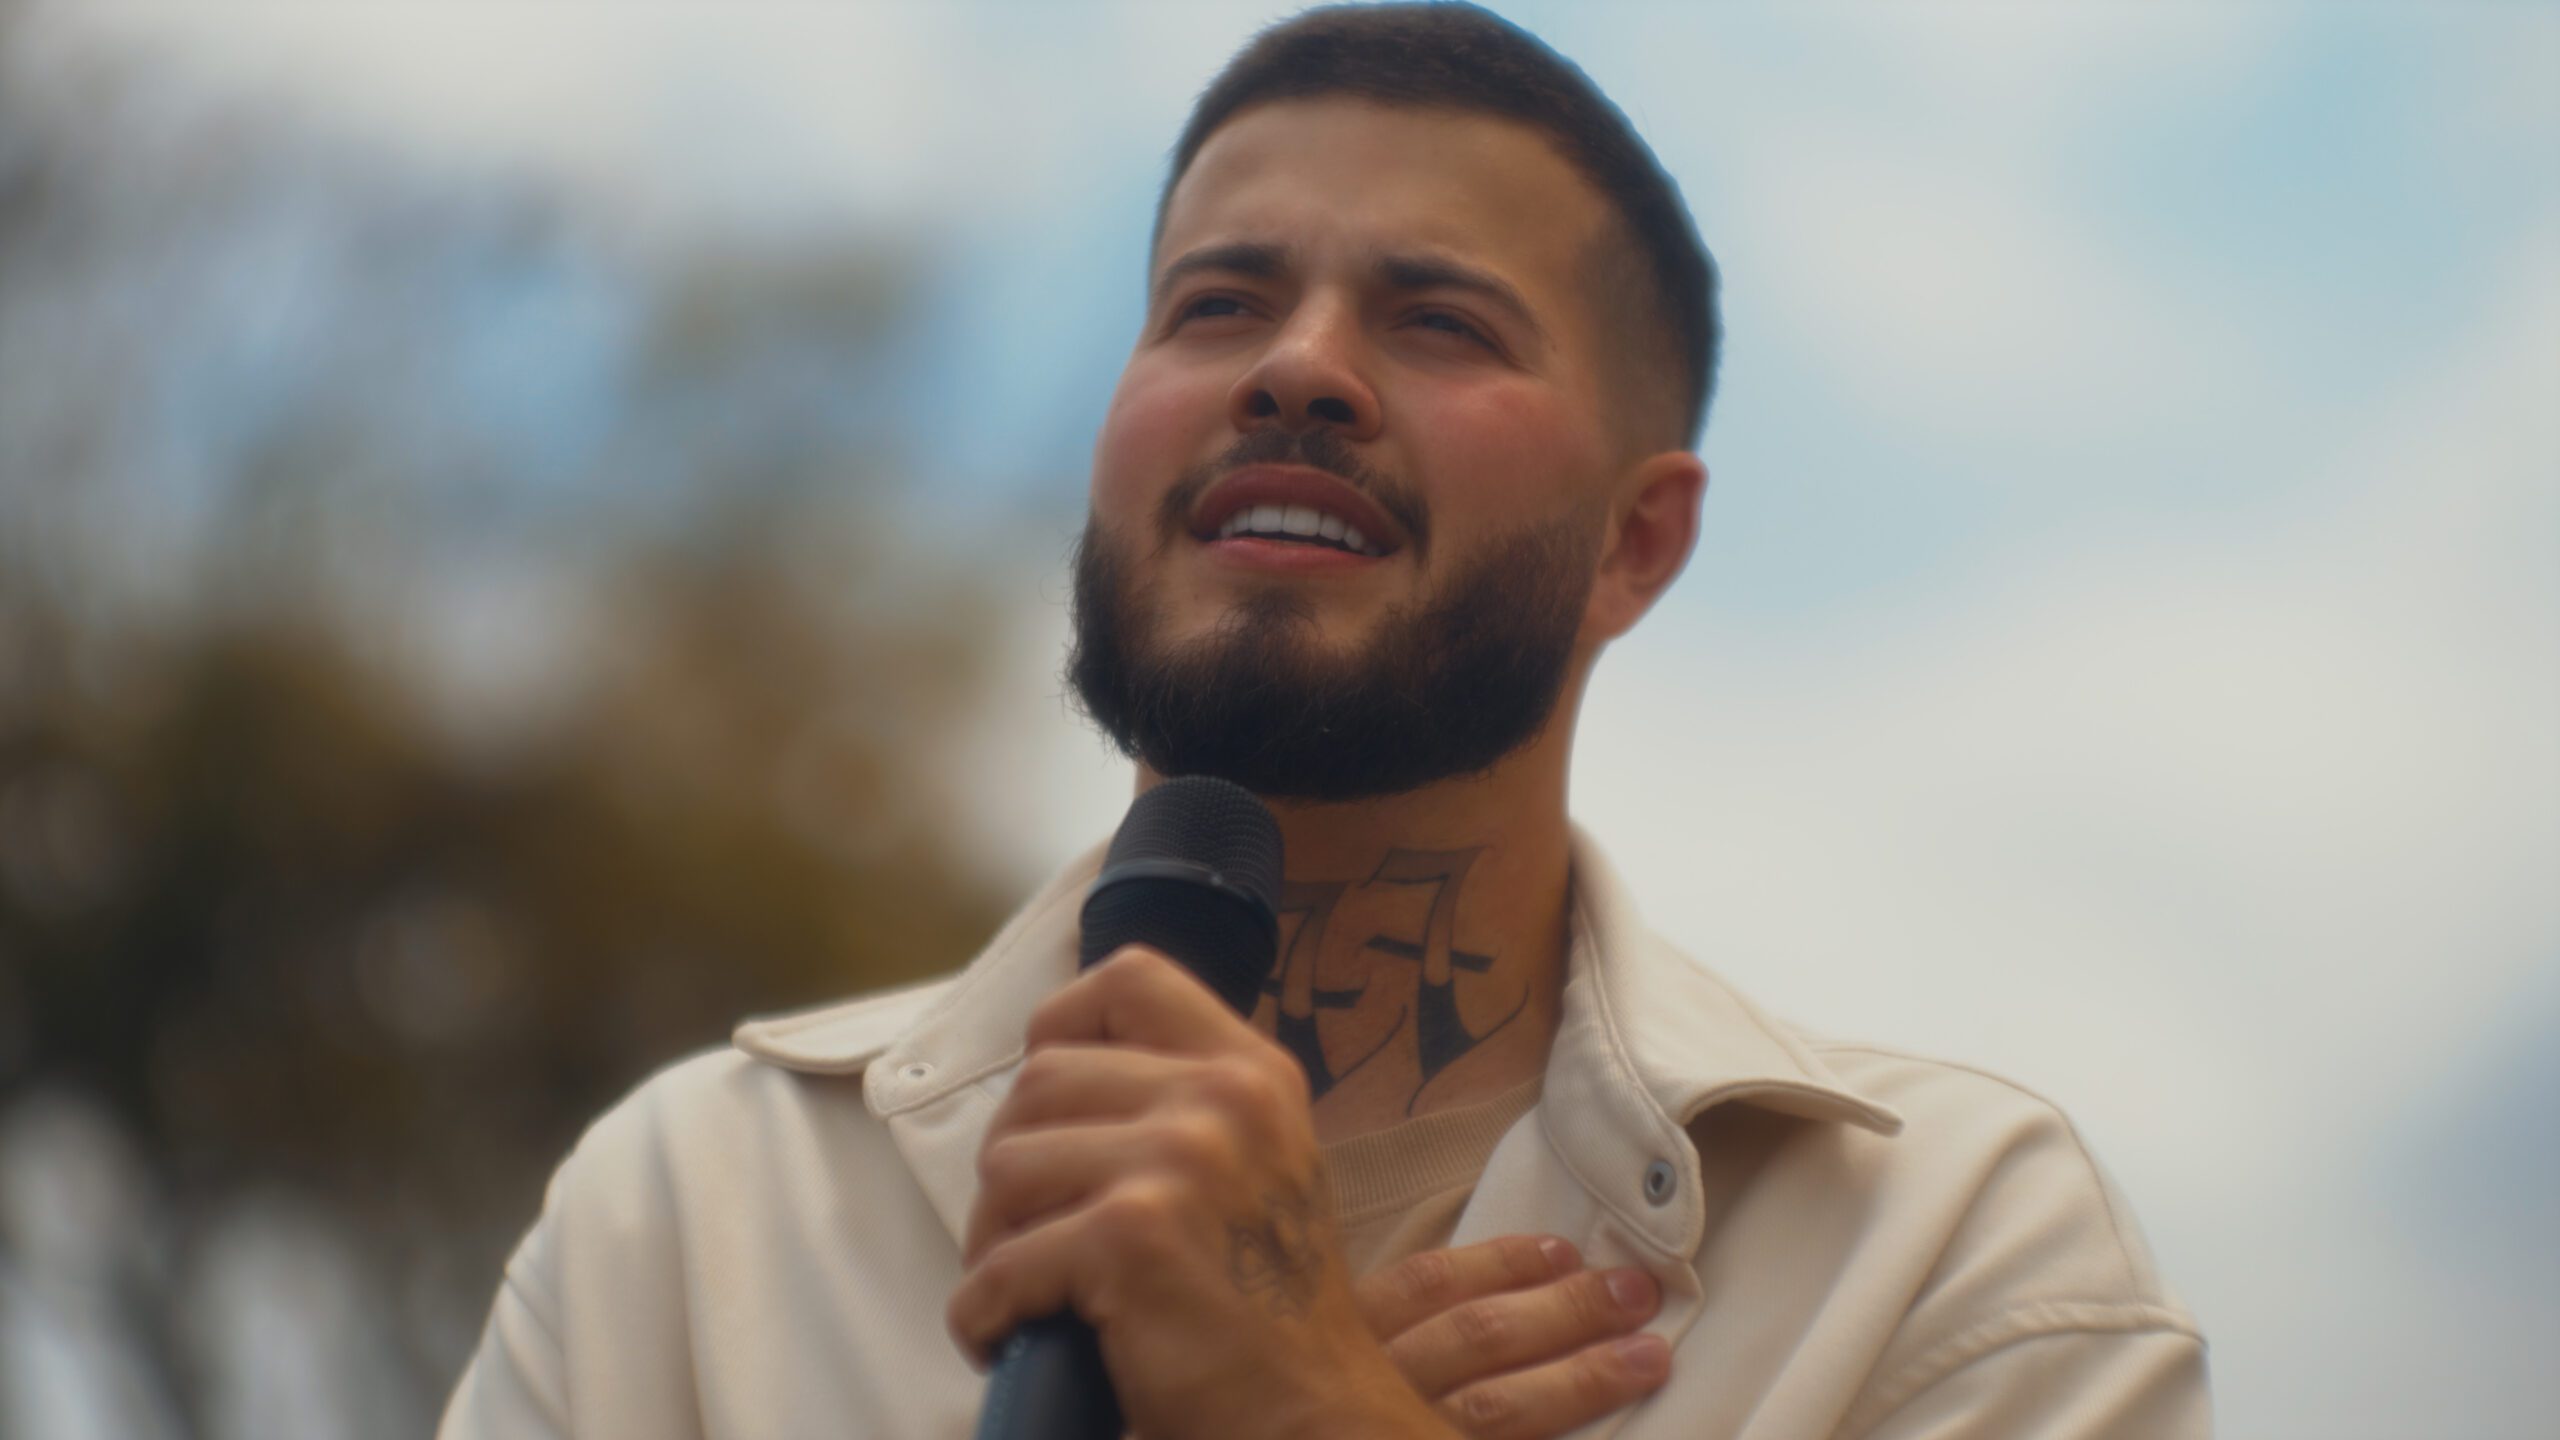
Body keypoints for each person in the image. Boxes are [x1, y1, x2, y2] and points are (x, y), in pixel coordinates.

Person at [440, 5, 2210, 1437]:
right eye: (1217, 304)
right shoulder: (693, 1219)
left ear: (1637, 541)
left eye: (1440, 321)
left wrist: (1310, 1404)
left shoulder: (1947, 1259)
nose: (1296, 367)